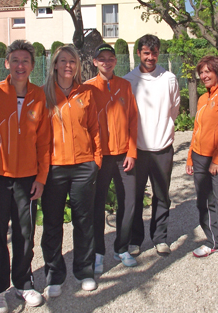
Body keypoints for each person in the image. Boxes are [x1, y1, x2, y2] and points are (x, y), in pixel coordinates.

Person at [0, 40, 51, 313]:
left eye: (25, 60)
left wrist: (42, 177)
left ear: (32, 66)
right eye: (15, 60)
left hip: (27, 178)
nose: (20, 65)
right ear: (6, 63)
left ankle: (23, 283)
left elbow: (44, 141)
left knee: (25, 233)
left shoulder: (39, 95)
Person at [41, 45, 102, 296]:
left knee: (84, 221)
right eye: (63, 61)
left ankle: (84, 270)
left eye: (72, 61)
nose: (68, 65)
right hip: (54, 169)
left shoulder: (86, 92)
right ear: (54, 64)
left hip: (83, 167)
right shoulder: (43, 94)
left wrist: (96, 160)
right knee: (53, 224)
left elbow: (94, 128)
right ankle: (54, 275)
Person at [123, 34, 180, 256]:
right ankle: (135, 239)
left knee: (162, 195)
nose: (150, 57)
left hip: (162, 148)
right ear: (139, 53)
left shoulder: (169, 79)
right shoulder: (129, 80)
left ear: (158, 53)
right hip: (136, 150)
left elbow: (174, 109)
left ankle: (160, 238)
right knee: (135, 197)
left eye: (154, 53)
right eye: (146, 52)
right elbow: (126, 116)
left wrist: (163, 130)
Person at [85, 43, 139, 273]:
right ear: (95, 62)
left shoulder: (125, 86)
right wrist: (92, 156)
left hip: (124, 155)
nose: (106, 62)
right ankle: (98, 252)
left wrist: (132, 151)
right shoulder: (87, 88)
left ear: (116, 61)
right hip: (100, 157)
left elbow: (134, 120)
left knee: (129, 202)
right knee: (97, 206)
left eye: (110, 58)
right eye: (102, 59)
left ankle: (122, 247)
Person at [185, 56, 218, 277]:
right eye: (202, 72)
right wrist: (190, 157)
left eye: (209, 71)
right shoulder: (201, 98)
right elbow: (197, 129)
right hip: (199, 157)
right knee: (203, 203)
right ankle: (212, 240)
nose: (204, 76)